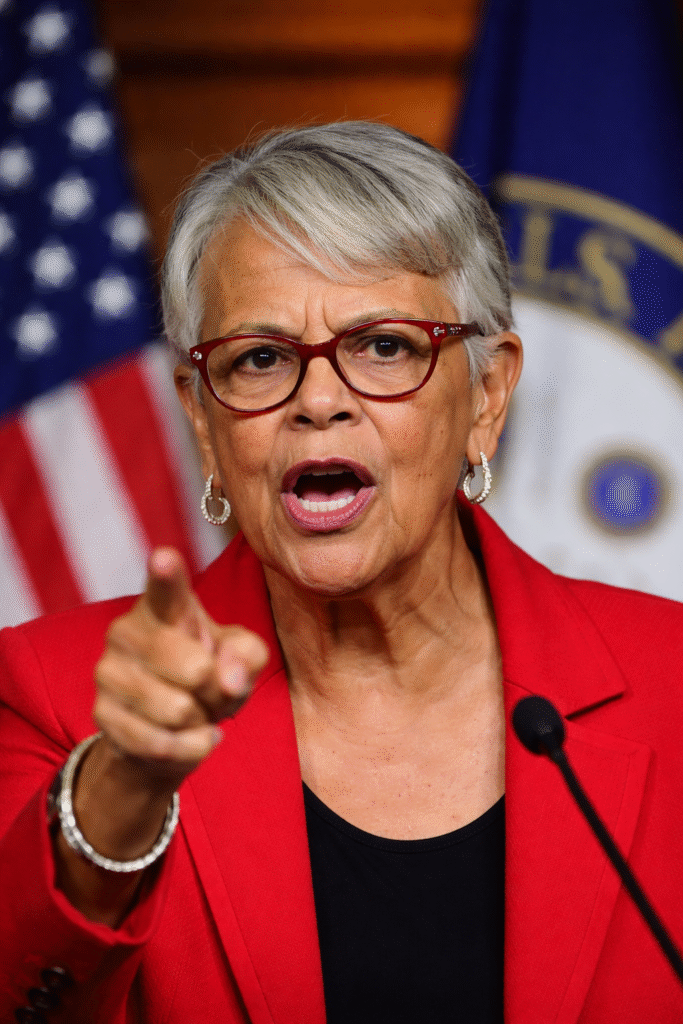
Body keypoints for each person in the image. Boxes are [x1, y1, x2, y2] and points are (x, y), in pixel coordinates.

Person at [1, 122, 682, 1024]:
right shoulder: (49, 690)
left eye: (385, 347)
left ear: (486, 395)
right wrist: (126, 781)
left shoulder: (669, 681)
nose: (318, 401)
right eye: (258, 359)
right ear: (204, 423)